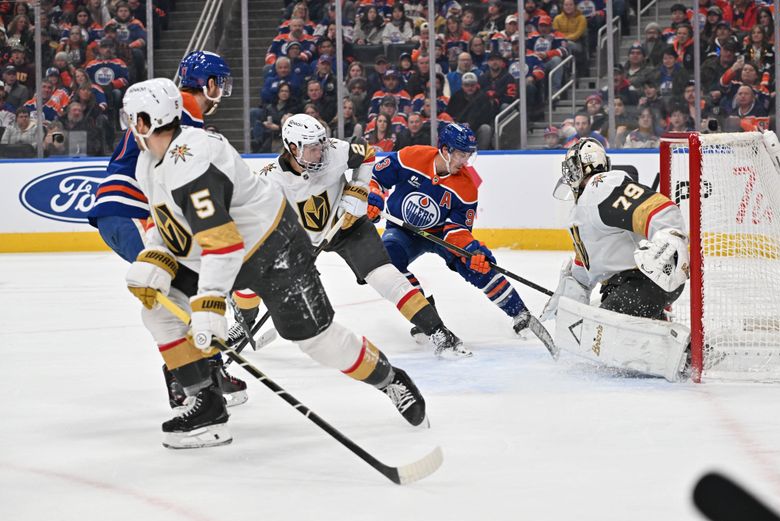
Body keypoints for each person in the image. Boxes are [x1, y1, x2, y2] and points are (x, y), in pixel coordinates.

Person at [122, 81, 428, 448]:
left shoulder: (191, 163)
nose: (128, 125)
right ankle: (206, 406)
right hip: (226, 251)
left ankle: (391, 380)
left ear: (145, 121)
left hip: (274, 248)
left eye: (131, 118)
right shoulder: (148, 163)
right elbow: (175, 223)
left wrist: (209, 304)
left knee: (319, 342)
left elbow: (222, 241)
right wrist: (156, 257)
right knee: (159, 313)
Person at [86, 51, 245, 410]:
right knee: (180, 291)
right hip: (132, 211)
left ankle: (207, 371)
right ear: (210, 83)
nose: (223, 90)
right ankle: (185, 380)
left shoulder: (176, 106)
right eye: (220, 82)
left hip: (121, 213)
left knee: (184, 288)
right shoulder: (185, 106)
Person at [253, 113, 469, 357]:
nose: (321, 153)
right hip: (305, 239)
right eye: (313, 148)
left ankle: (438, 332)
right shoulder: (270, 179)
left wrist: (359, 188)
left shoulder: (334, 150)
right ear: (293, 148)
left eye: (321, 145)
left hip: (350, 227)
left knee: (386, 277)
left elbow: (367, 153)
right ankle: (245, 323)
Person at [368, 123, 546, 341]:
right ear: (444, 150)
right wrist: (373, 194)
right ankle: (426, 317)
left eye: (468, 155)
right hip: (402, 230)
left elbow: (458, 229)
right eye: (461, 154)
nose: (465, 162)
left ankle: (520, 314)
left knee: (474, 264)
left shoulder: (466, 187)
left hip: (441, 234)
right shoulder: (411, 157)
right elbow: (375, 176)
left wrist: (471, 249)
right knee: (389, 261)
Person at [541, 138, 692, 381]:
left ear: (582, 166)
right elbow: (583, 274)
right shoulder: (584, 210)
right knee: (597, 332)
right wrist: (565, 309)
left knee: (602, 337)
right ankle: (663, 332)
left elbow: (661, 210)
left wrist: (667, 244)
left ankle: (683, 353)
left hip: (645, 282)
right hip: (627, 288)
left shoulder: (601, 186)